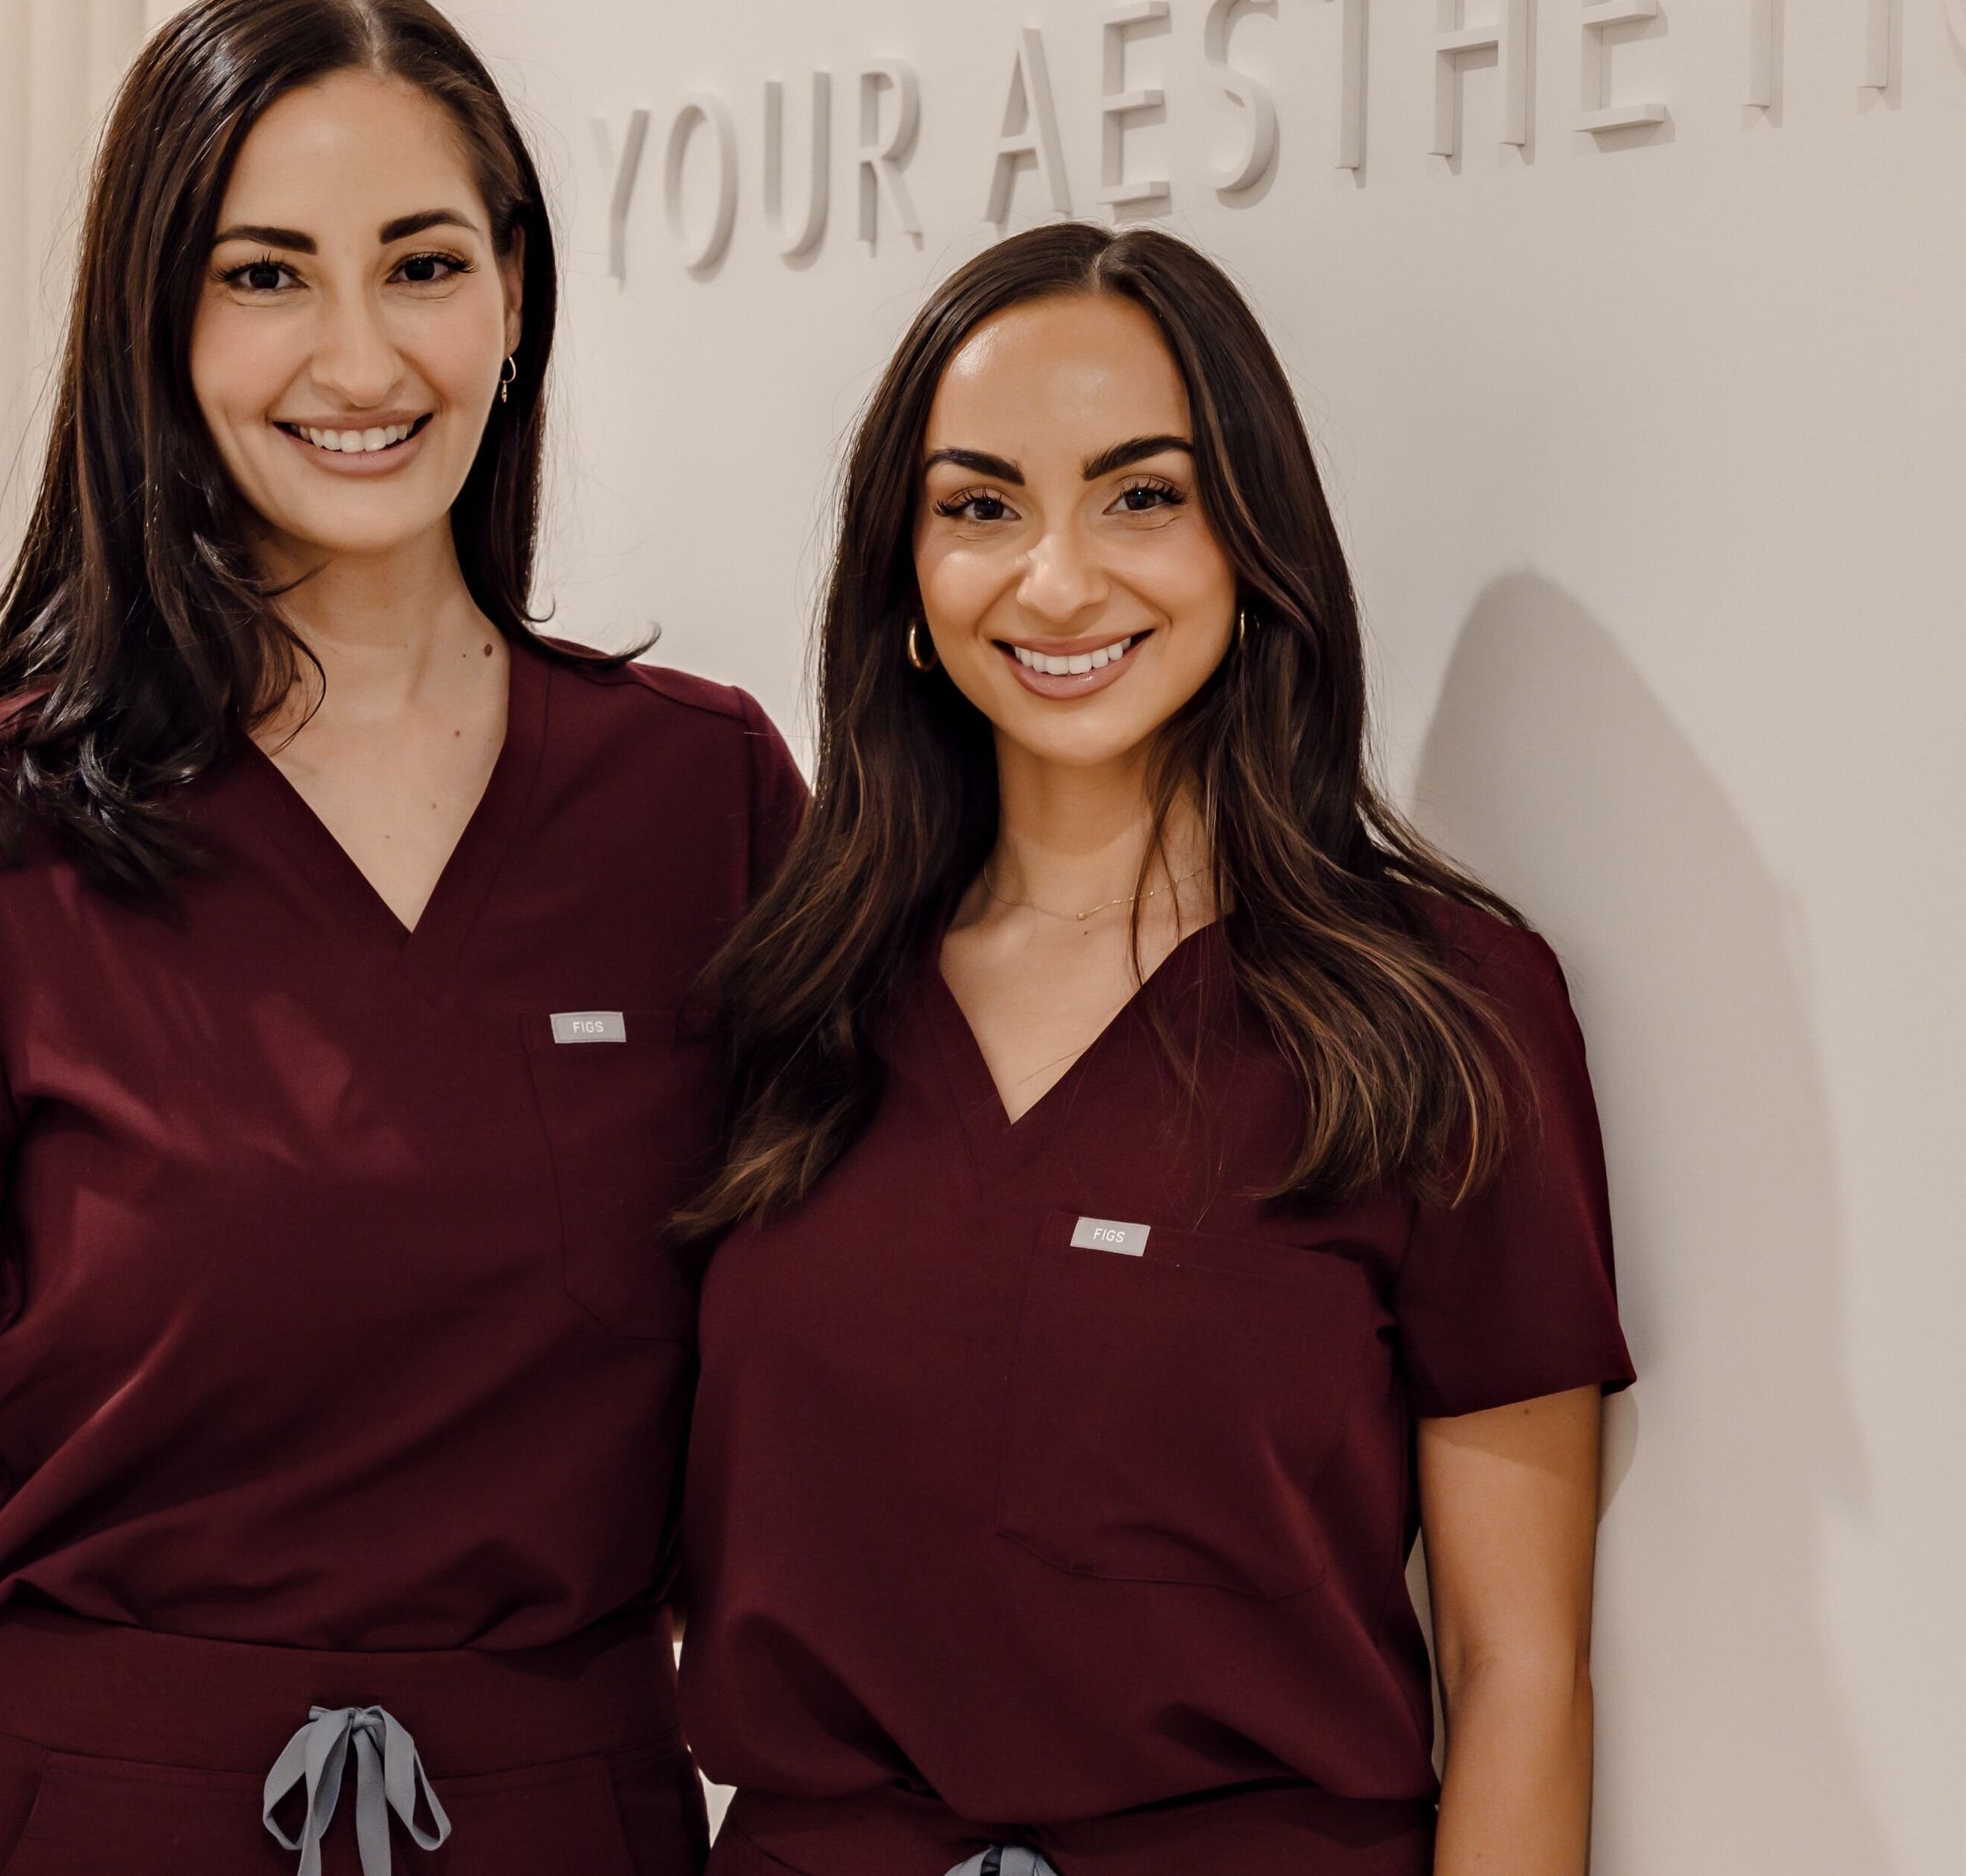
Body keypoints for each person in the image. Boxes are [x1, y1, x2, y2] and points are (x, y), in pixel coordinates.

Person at [0, 0, 797, 1876]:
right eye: (266, 273)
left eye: (424, 264)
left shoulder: (699, 806)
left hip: (560, 1828)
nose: (360, 360)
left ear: (518, 293)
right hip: (71, 1826)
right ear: (158, 322)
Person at [674, 222, 1634, 1876]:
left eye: (1141, 495)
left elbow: (1519, 1673)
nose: (1057, 578)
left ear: (1253, 544)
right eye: (980, 506)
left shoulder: (1442, 1013)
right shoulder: (793, 994)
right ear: (903, 578)